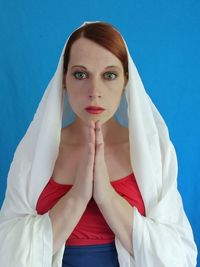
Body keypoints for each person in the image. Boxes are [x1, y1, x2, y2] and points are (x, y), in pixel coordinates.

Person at [0, 21, 197, 267]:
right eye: (81, 74)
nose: (94, 91)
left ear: (126, 80)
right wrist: (77, 197)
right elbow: (6, 253)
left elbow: (179, 256)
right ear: (64, 79)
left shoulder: (153, 153)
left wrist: (106, 197)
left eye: (109, 75)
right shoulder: (34, 152)